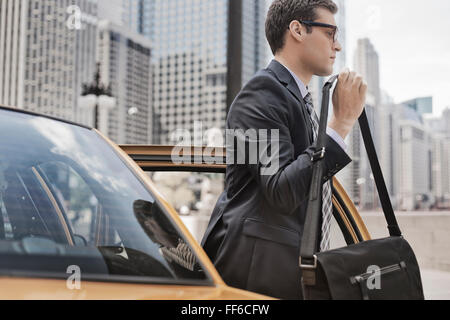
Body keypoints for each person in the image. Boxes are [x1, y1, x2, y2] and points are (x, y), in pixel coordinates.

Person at [201, 0, 367, 300]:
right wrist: (339, 125)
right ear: (297, 30)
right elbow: (281, 190)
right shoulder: (262, 93)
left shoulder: (298, 101)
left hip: (286, 273)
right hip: (255, 277)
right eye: (330, 33)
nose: (338, 45)